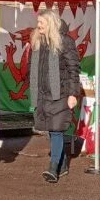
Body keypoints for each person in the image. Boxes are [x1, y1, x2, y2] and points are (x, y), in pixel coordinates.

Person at [29, 10, 80, 183]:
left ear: (50, 23)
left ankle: (53, 168)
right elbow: (33, 68)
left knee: (57, 130)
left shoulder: (65, 41)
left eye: (41, 22)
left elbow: (73, 70)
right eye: (38, 22)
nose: (38, 25)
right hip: (44, 94)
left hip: (61, 93)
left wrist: (73, 94)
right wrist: (34, 92)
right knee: (51, 130)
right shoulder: (39, 42)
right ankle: (63, 164)